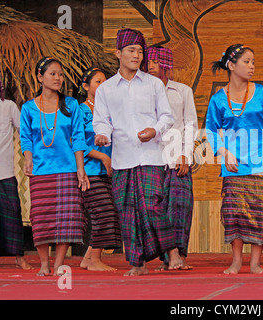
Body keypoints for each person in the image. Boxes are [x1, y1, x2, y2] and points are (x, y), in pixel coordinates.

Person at [93, 28, 182, 276]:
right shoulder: (106, 89)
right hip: (122, 159)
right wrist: (102, 134)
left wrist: (154, 130)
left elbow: (167, 116)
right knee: (127, 212)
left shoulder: (153, 84)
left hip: (152, 156)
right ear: (118, 53)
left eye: (140, 51)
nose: (137, 56)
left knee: (152, 206)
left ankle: (172, 251)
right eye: (131, 51)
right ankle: (137, 264)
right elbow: (101, 121)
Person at [206, 44, 263, 274]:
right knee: (234, 213)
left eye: (253, 61)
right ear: (231, 66)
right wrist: (224, 153)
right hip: (234, 164)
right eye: (246, 61)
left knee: (261, 212)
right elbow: (211, 132)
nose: (252, 66)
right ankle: (236, 261)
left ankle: (255, 263)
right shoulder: (217, 99)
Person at [20, 57, 90, 276]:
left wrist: (81, 169)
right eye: (53, 74)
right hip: (41, 171)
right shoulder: (29, 108)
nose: (58, 78)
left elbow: (78, 138)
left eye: (60, 74)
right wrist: (28, 159)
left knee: (67, 218)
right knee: (42, 217)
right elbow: (26, 139)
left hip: (67, 170)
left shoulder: (71, 105)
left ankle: (59, 263)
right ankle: (44, 263)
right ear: (40, 77)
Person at [146, 45, 198, 270]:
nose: (149, 65)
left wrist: (186, 155)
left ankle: (179, 256)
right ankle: (168, 254)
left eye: (155, 61)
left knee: (180, 207)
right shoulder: (141, 92)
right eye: (148, 61)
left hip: (177, 158)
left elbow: (190, 124)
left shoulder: (182, 91)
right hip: (150, 158)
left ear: (165, 65)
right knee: (156, 208)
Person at [77, 67, 122, 271]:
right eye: (97, 81)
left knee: (109, 212)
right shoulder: (81, 110)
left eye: (105, 81)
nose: (102, 85)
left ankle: (88, 258)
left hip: (110, 171)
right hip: (89, 171)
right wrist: (102, 156)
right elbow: (75, 141)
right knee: (103, 212)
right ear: (86, 86)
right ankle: (94, 259)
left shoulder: (110, 110)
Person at [0, 64, 32, 270]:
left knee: (12, 214)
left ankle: (19, 257)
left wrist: (28, 157)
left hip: (4, 171)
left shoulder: (8, 106)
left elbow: (24, 133)